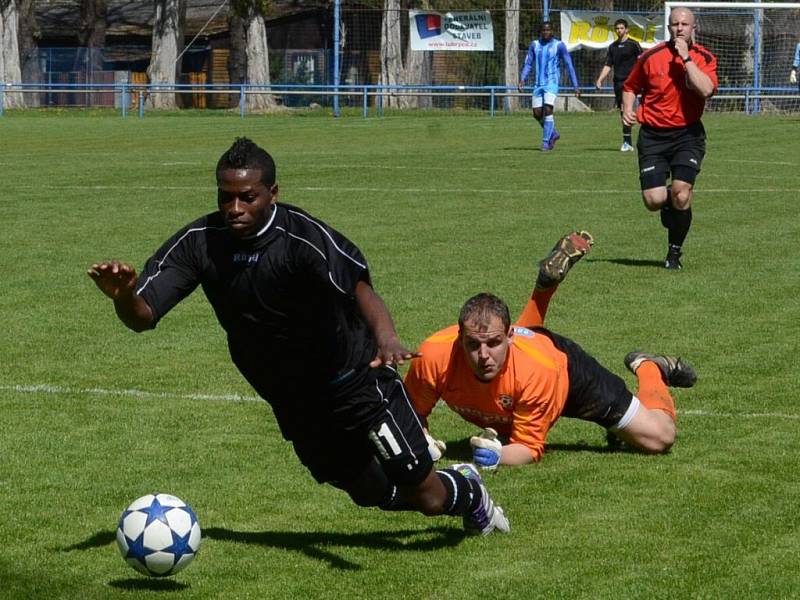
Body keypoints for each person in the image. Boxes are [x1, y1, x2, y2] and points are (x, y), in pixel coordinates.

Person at [87, 137, 509, 536]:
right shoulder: (201, 242)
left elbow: (359, 287)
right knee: (368, 492)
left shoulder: (302, 237)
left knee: (430, 498)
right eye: (225, 196)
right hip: (293, 401)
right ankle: (439, 483)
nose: (234, 207)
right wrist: (124, 295)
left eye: (247, 197)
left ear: (272, 192)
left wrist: (388, 338)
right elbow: (142, 316)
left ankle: (470, 494)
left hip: (355, 382)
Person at [406, 232, 697, 469]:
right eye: (473, 345)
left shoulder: (539, 370)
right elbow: (409, 415)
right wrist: (421, 439)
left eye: (494, 343)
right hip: (525, 358)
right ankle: (542, 290)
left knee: (660, 438)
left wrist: (498, 456)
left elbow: (528, 448)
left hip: (566, 374)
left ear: (509, 337)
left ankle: (650, 367)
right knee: (514, 383)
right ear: (459, 339)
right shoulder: (433, 357)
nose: (483, 355)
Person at [621, 7, 718, 270]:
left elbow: (707, 89)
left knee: (682, 193)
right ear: (669, 27)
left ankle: (674, 252)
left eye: (685, 24)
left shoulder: (704, 58)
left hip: (688, 135)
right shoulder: (651, 57)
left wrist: (686, 60)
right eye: (675, 24)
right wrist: (627, 108)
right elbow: (630, 86)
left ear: (693, 28)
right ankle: (668, 205)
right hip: (653, 135)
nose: (680, 28)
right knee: (653, 201)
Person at [518, 21, 581, 152]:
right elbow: (529, 63)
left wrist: (576, 85)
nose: (546, 32)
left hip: (552, 83)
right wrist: (522, 78)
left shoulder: (559, 45)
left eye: (548, 30)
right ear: (540, 31)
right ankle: (553, 133)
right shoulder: (534, 45)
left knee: (547, 109)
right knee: (537, 114)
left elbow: (569, 65)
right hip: (538, 84)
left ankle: (546, 142)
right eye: (543, 30)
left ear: (552, 31)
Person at [594, 19, 643, 152]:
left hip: (633, 82)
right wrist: (600, 80)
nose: (619, 31)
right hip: (619, 82)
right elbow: (608, 65)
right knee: (624, 111)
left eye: (621, 28)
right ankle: (627, 142)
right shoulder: (613, 47)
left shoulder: (634, 45)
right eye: (617, 28)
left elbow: (642, 62)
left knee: (639, 108)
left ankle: (643, 138)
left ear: (627, 29)